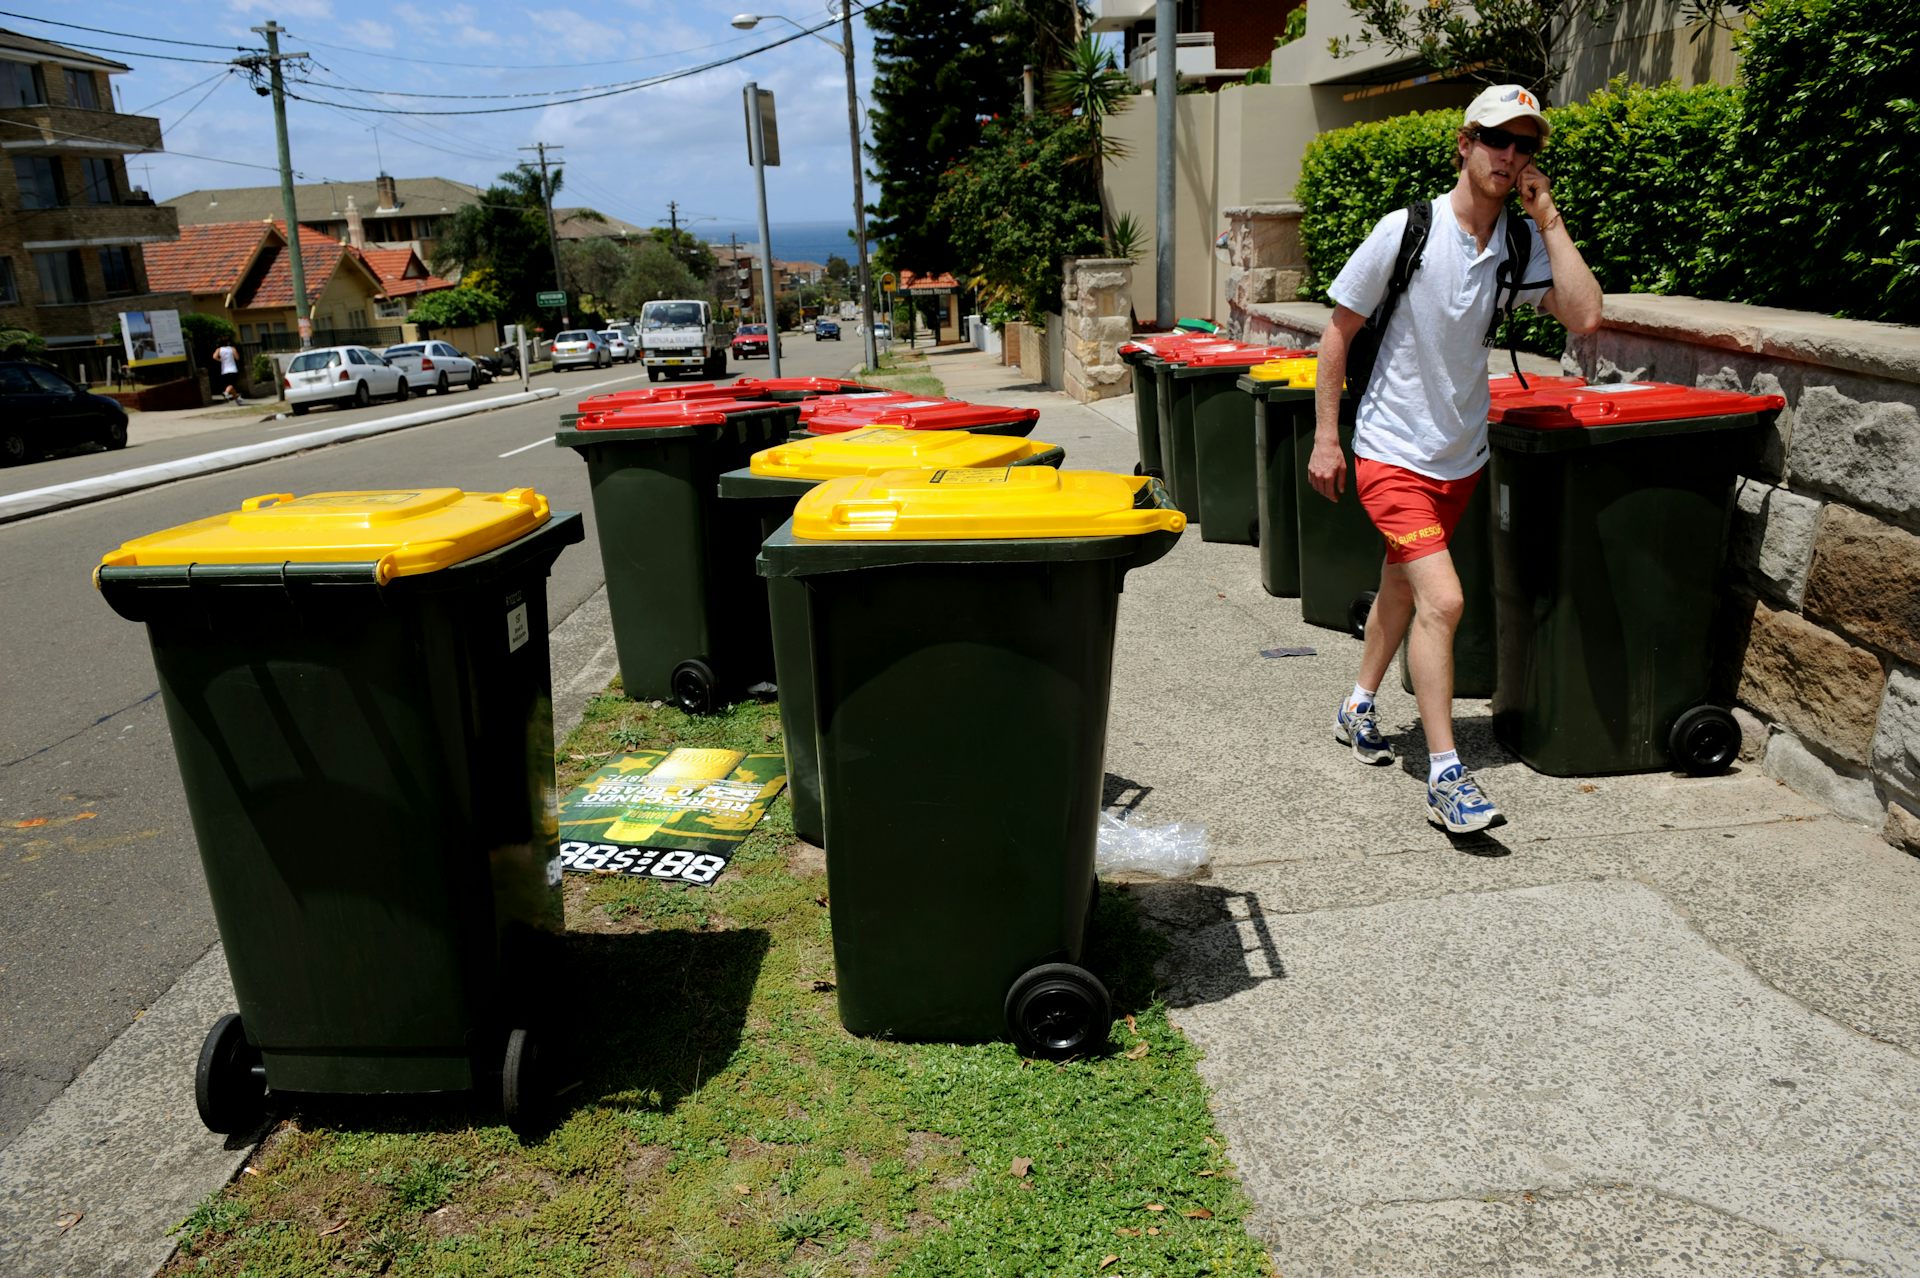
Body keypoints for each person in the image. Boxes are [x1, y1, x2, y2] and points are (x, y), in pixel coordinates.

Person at [1307, 84, 1604, 834]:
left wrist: (1549, 216)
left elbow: (1585, 315)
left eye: (1525, 145)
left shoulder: (1520, 242)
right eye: (1498, 140)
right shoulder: (1407, 230)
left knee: (1402, 590)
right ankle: (1446, 777)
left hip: (1461, 457)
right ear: (1464, 144)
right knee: (1443, 600)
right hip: (1389, 450)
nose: (1511, 156)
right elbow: (1338, 332)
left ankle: (1357, 704)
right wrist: (1325, 436)